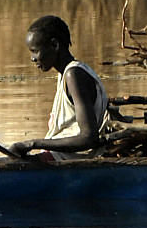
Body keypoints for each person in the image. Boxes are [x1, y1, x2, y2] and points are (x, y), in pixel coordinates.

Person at [6, 15, 109, 158]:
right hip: (61, 158)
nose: (32, 58)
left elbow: (89, 137)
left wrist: (32, 144)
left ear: (55, 45)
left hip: (72, 161)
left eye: (35, 51)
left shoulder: (74, 75)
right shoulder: (67, 74)